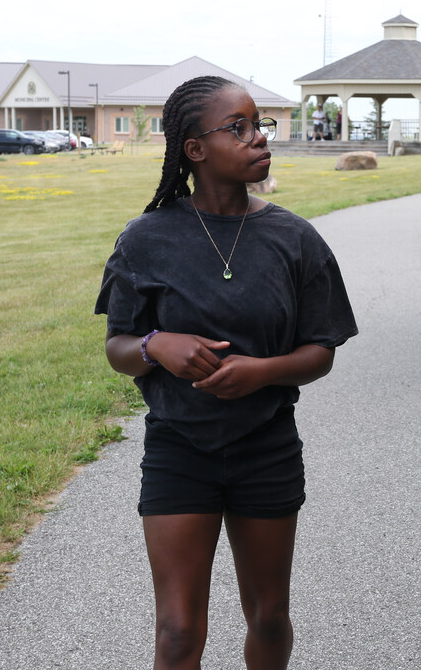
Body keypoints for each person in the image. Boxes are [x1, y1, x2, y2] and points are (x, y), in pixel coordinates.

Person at [95, 75, 357, 669]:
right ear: (195, 149)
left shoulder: (295, 240)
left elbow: (322, 350)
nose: (260, 137)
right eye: (238, 128)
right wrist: (158, 344)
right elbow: (118, 346)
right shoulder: (146, 239)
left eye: (258, 123)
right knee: (179, 631)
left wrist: (261, 372)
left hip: (265, 446)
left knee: (268, 615)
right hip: (179, 447)